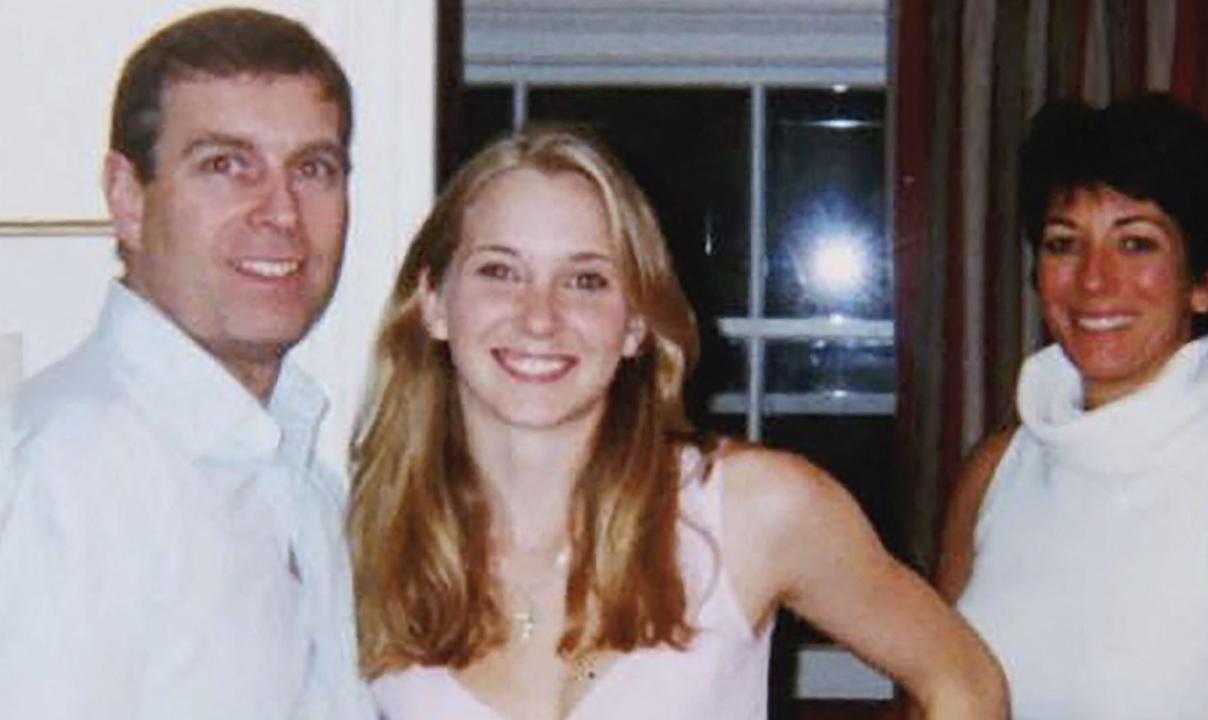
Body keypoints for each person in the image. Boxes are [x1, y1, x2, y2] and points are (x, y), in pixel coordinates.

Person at [347, 127, 1007, 719]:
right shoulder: (361, 543)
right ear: (433, 302)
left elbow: (965, 682)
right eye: (500, 272)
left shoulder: (749, 510)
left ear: (635, 323)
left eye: (586, 281)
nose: (539, 316)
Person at [0, 8, 372, 719]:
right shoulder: (69, 477)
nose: (282, 212)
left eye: (313, 169)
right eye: (227, 166)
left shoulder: (300, 480)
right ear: (127, 198)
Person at [935, 94, 1208, 719]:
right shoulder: (994, 469)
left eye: (1137, 244)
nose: (1093, 280)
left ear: (1207, 280)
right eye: (1064, 244)